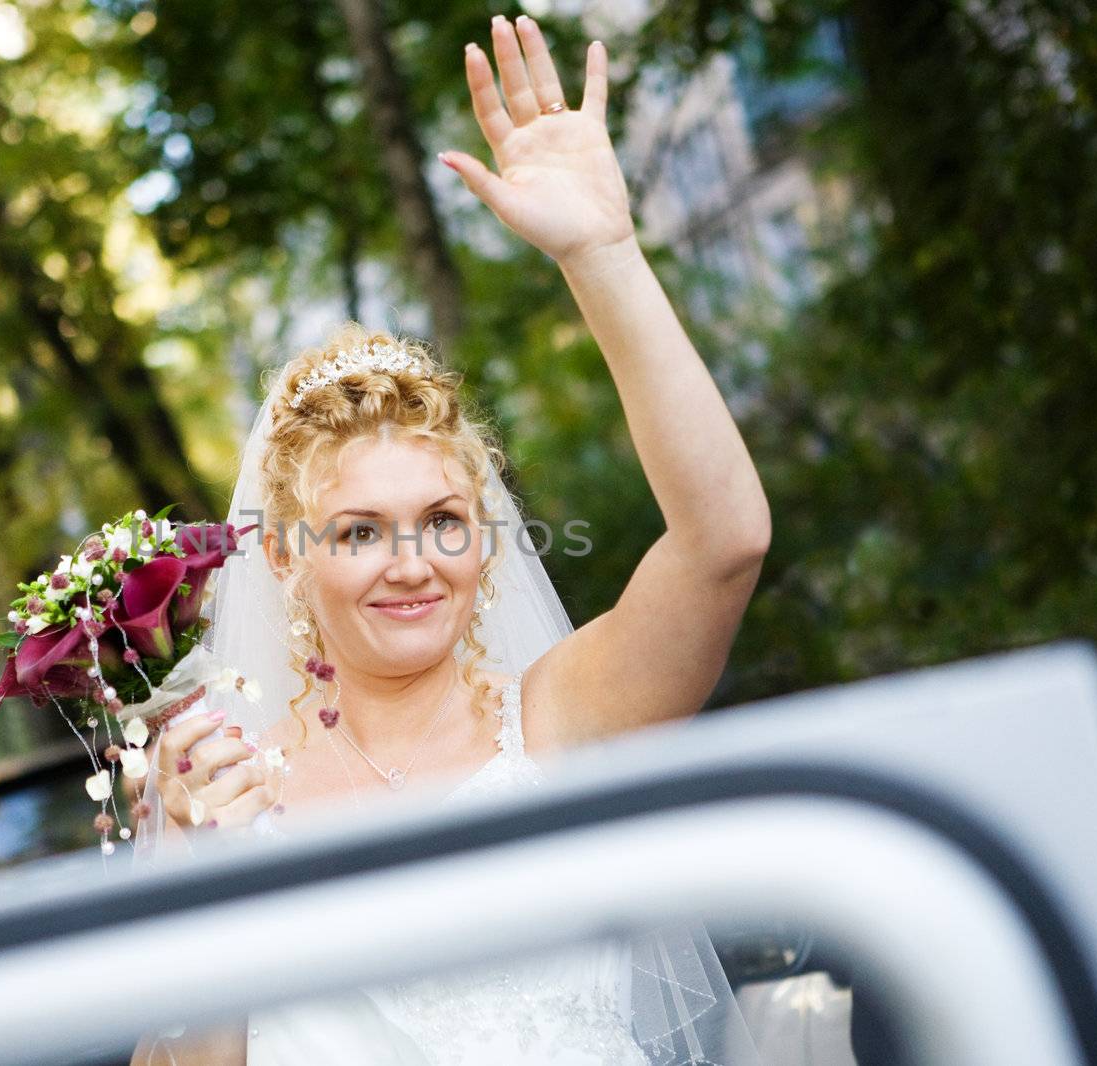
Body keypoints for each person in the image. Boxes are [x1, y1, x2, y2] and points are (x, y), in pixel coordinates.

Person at [130, 11, 770, 1065]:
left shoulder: (563, 717)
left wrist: (602, 254)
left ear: (487, 534)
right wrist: (208, 875)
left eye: (442, 520)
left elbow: (726, 542)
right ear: (284, 555)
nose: (414, 561)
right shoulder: (219, 788)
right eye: (359, 532)